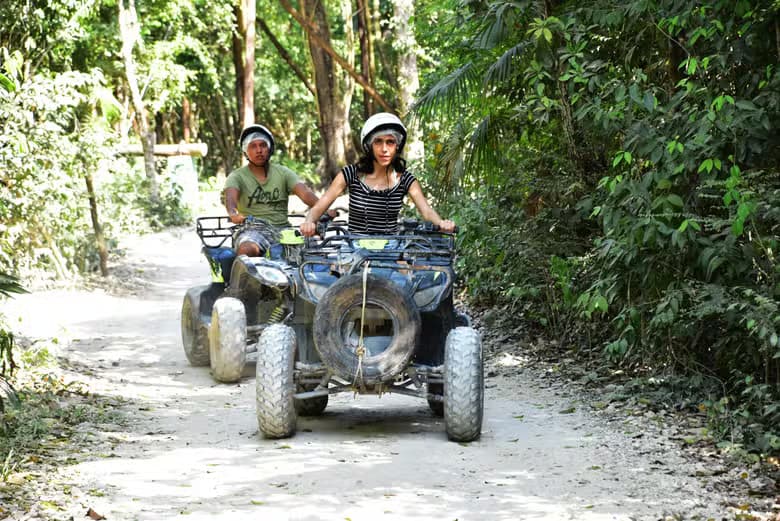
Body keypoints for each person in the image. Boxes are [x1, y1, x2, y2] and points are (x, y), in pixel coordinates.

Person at [300, 112, 455, 237]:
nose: (384, 149)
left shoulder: (406, 179)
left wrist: (441, 223)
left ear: (397, 146)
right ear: (369, 146)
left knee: (418, 274)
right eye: (378, 142)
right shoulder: (350, 174)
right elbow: (320, 205)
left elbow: (426, 210)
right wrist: (309, 222)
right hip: (353, 249)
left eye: (390, 142)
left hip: (391, 252)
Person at [225, 124, 324, 257]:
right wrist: (233, 214)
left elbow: (305, 193)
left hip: (283, 229)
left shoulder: (283, 173)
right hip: (252, 230)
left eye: (263, 145)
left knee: (317, 251)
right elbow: (230, 199)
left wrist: (325, 208)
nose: (259, 150)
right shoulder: (237, 176)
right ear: (245, 151)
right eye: (253, 146)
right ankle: (241, 277)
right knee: (247, 249)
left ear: (270, 148)